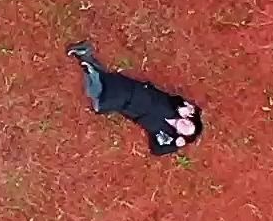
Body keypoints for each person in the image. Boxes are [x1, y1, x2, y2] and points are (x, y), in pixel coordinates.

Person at [68, 42, 202, 156]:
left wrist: (175, 146)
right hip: (134, 92)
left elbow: (156, 150)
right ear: (188, 117)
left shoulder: (165, 133)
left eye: (186, 130)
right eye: (189, 123)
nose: (185, 126)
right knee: (99, 99)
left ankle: (88, 62)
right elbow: (177, 100)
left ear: (181, 135)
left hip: (127, 107)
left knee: (100, 95)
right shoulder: (174, 106)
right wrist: (185, 108)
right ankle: (89, 64)